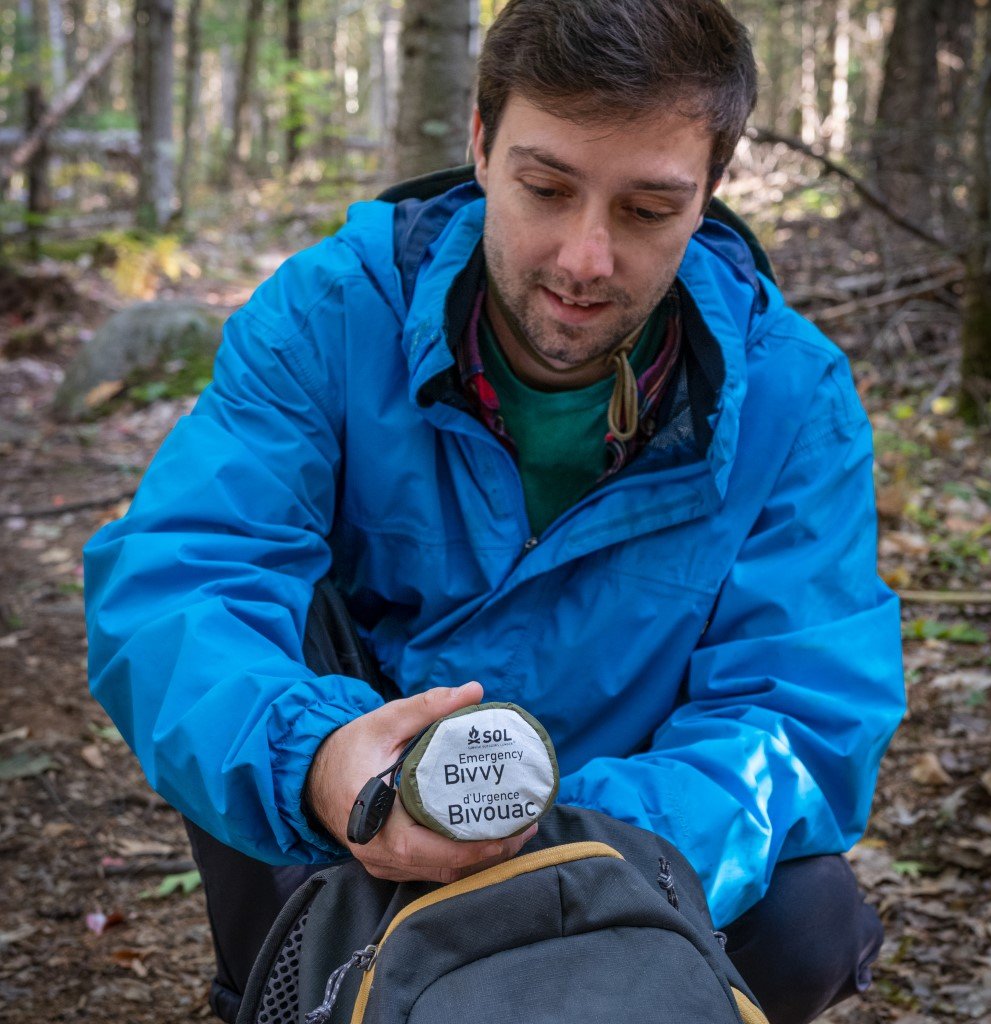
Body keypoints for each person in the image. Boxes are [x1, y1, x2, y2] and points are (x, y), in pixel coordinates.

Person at [83, 1, 905, 1022]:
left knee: (811, 915)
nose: (584, 260)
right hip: (357, 825)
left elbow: (799, 709)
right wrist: (326, 767)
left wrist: (556, 848)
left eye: (647, 210)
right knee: (246, 677)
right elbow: (185, 577)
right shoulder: (331, 314)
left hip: (630, 843)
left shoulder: (794, 397)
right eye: (546, 188)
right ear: (479, 144)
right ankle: (290, 981)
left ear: (710, 196)